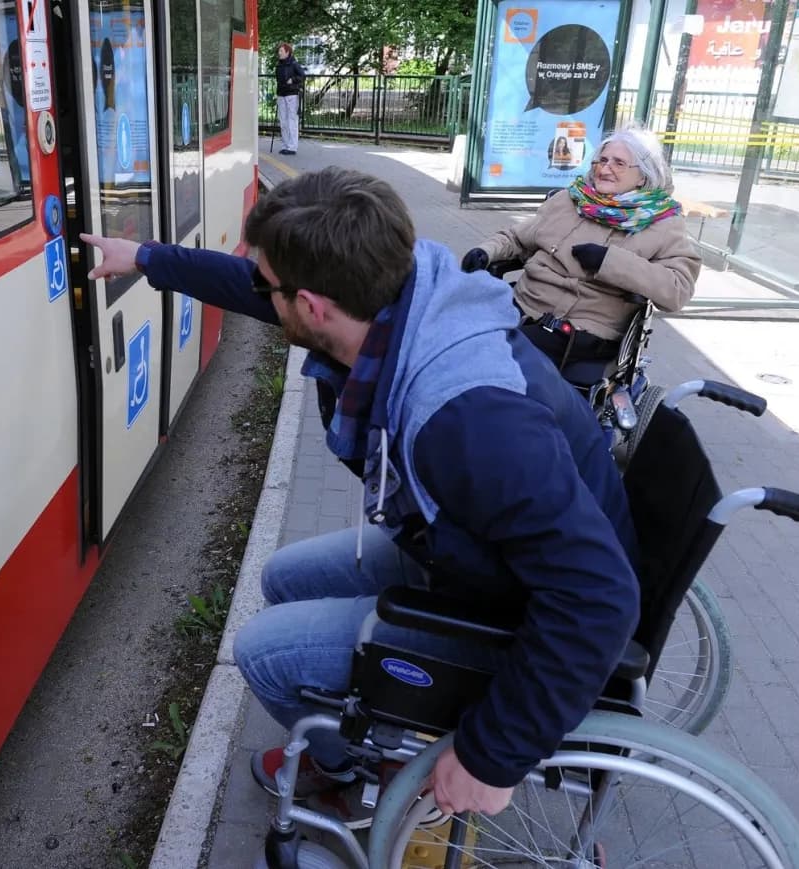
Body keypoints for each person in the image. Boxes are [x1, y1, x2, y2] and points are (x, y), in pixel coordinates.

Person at [80, 167, 640, 827]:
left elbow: (599, 596)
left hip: (518, 608)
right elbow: (265, 291)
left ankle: (365, 769)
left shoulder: (466, 420)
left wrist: (492, 756)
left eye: (272, 287)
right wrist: (145, 258)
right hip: (470, 546)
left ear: (313, 306)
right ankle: (357, 732)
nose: (263, 293)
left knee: (262, 651)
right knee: (279, 575)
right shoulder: (402, 296)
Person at [461, 124, 700, 371]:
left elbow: (677, 289)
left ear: (643, 176)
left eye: (618, 163)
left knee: (489, 355)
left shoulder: (664, 222)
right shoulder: (570, 199)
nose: (605, 168)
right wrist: (485, 251)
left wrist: (609, 261)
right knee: (450, 326)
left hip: (578, 329)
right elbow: (517, 238)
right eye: (601, 160)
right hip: (521, 305)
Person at [274, 42, 306, 155]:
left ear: (287, 52)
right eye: (279, 51)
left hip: (292, 94)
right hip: (281, 95)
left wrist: (293, 80)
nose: (279, 53)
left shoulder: (294, 64)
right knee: (283, 121)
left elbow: (302, 76)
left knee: (292, 120)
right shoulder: (279, 65)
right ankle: (285, 145)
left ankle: (292, 147)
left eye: (281, 51)